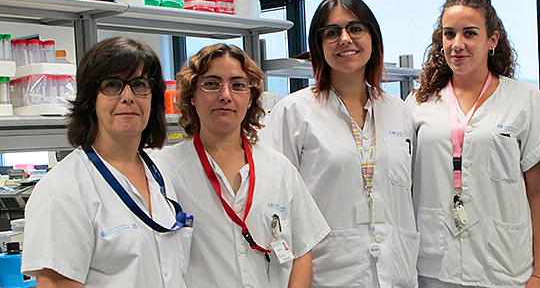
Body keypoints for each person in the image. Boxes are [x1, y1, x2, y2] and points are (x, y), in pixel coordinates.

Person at [260, 0, 419, 288]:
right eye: (332, 32)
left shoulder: (399, 111)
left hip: (396, 272)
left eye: (356, 28)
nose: (345, 39)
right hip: (329, 274)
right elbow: (273, 202)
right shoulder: (295, 113)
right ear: (319, 47)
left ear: (373, 38)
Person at [406, 0, 540, 288]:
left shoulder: (525, 99)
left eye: (469, 33)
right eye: (449, 34)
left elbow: (538, 191)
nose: (457, 45)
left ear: (492, 41)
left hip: (504, 264)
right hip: (436, 264)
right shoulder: (419, 102)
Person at [152, 44, 329, 288]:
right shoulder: (162, 170)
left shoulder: (278, 168)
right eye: (212, 84)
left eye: (237, 85)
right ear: (191, 95)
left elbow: (302, 251)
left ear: (250, 99)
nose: (225, 95)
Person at [21, 36, 192, 287]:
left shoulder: (161, 173)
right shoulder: (61, 191)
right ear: (91, 100)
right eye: (112, 85)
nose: (128, 96)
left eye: (139, 84)